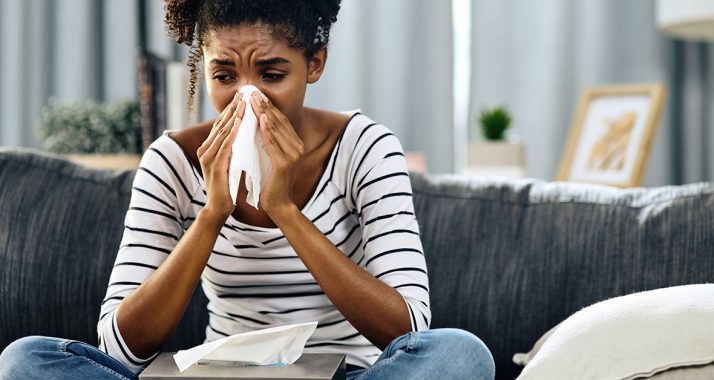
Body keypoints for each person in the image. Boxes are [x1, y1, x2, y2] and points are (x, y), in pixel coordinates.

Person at [0, 1, 495, 379]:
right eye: (224, 75)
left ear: (315, 64)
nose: (247, 97)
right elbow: (120, 347)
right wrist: (212, 213)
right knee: (26, 360)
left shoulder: (365, 148)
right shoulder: (171, 162)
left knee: (459, 354)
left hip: (350, 374)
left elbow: (410, 329)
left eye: (272, 74)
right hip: (222, 375)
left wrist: (285, 210)